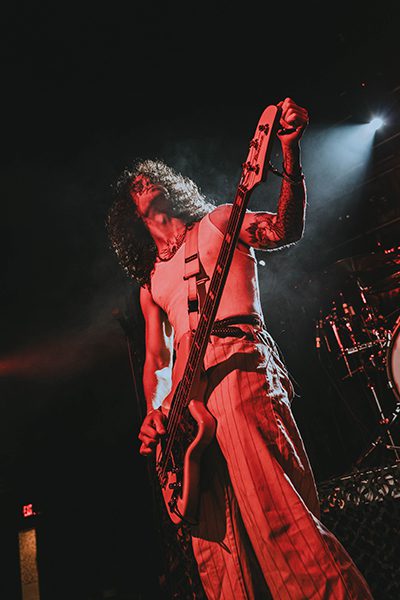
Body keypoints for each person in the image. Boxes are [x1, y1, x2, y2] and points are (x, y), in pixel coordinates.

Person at [107, 98, 374, 599]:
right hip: (185, 413)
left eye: (151, 176)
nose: (143, 180)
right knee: (220, 559)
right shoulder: (151, 283)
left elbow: (284, 230)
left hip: (238, 365)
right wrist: (156, 415)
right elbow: (158, 359)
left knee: (279, 520)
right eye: (134, 184)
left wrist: (289, 155)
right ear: (129, 214)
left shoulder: (220, 220)